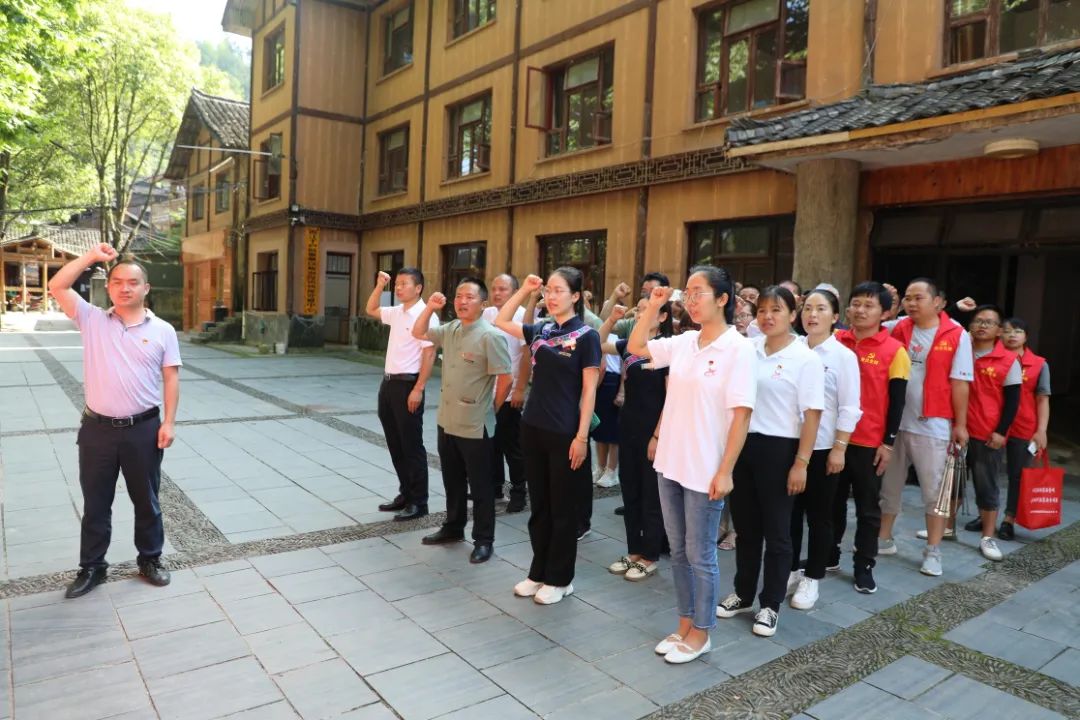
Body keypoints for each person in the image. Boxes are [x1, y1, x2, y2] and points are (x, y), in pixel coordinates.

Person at [627, 266, 754, 663]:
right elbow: (636, 345)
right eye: (689, 293)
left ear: (722, 299)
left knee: (701, 555)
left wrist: (726, 470)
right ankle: (684, 623)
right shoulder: (684, 342)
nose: (693, 300)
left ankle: (702, 631)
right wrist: (654, 305)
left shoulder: (738, 349)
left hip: (705, 468)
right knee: (679, 552)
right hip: (671, 462)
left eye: (701, 293)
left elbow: (742, 416)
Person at [48, 245, 181, 598]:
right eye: (118, 282)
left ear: (145, 288)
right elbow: (57, 286)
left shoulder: (163, 330)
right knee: (96, 503)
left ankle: (150, 559)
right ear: (108, 288)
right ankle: (93, 567)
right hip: (97, 430)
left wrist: (169, 422)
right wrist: (91, 257)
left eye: (133, 282)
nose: (125, 288)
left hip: (144, 429)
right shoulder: (91, 319)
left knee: (147, 500)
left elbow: (171, 378)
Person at [717, 285, 822, 638]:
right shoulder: (749, 349)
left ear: (792, 315)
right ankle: (743, 593)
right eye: (762, 310)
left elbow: (812, 416)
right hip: (743, 445)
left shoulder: (805, 358)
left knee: (778, 532)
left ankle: (770, 604)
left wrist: (801, 463)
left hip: (780, 449)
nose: (767, 316)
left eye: (776, 310)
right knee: (746, 529)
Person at [495, 268, 601, 605]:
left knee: (562, 509)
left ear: (575, 296)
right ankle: (538, 572)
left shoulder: (587, 336)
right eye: (548, 291)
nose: (551, 297)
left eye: (559, 290)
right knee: (539, 506)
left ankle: (560, 578)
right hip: (533, 427)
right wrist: (525, 290)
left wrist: (581, 437)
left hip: (565, 432)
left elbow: (589, 391)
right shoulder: (541, 329)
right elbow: (501, 319)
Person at [411, 278, 512, 564]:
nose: (462, 301)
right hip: (447, 421)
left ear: (483, 304)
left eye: (469, 297)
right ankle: (453, 527)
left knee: (480, 487)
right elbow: (418, 331)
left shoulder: (490, 336)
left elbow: (506, 378)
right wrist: (430, 307)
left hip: (475, 425)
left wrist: (490, 408)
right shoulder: (451, 329)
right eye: (458, 296)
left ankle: (484, 540)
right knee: (452, 480)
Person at [878, 278, 973, 577]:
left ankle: (933, 550)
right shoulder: (898, 326)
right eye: (908, 298)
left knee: (933, 491)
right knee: (889, 485)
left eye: (918, 297)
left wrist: (960, 424)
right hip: (894, 423)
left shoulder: (956, 334)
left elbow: (960, 382)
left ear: (938, 302)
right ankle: (883, 539)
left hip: (932, 423)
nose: (911, 303)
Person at [833, 282, 910, 594]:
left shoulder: (895, 351)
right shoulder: (837, 340)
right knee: (832, 502)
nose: (860, 310)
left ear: (885, 313)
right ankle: (828, 555)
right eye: (856, 304)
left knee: (867, 509)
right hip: (833, 439)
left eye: (869, 305)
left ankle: (864, 565)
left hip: (869, 442)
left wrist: (888, 443)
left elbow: (898, 402)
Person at [787, 288, 861, 610]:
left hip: (822, 447)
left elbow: (849, 407)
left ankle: (813, 576)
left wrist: (839, 448)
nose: (812, 315)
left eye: (820, 309)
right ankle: (790, 569)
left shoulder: (843, 357)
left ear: (835, 317)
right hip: (788, 443)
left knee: (820, 516)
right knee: (789, 514)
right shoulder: (792, 349)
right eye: (807, 308)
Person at [601, 301, 672, 582]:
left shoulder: (667, 349)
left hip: (653, 431)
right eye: (640, 309)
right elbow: (598, 343)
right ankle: (634, 550)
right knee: (630, 491)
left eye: (650, 309)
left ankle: (650, 555)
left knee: (650, 495)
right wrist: (611, 319)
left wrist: (658, 435)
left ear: (663, 316)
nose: (642, 313)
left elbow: (671, 398)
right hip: (628, 427)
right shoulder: (629, 346)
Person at [365, 268, 438, 521]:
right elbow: (371, 309)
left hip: (408, 384)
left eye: (404, 283)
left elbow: (429, 354)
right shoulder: (397, 311)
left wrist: (418, 388)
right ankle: (406, 493)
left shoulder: (426, 315)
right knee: (395, 443)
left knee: (411, 445)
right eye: (396, 283)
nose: (398, 287)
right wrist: (379, 285)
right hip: (388, 384)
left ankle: (419, 501)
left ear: (418, 288)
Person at [960, 305, 1021, 561]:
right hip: (957, 428)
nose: (982, 326)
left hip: (987, 433)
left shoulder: (1008, 360)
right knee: (951, 483)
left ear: (999, 331)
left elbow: (1013, 402)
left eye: (989, 322)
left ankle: (988, 537)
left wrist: (1000, 432)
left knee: (987, 487)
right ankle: (945, 528)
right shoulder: (960, 352)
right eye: (978, 321)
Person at [483, 274, 534, 513]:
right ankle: (494, 487)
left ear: (514, 292)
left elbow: (527, 355)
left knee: (512, 446)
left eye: (502, 289)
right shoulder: (487, 314)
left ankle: (519, 492)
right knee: (490, 443)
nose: (496, 293)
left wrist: (520, 388)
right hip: (488, 391)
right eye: (494, 288)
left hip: (510, 391)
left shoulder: (522, 316)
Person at [1000, 317, 1051, 540]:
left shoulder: (1039, 364)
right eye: (1007, 331)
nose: (1012, 335)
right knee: (988, 473)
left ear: (1026, 336)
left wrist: (1041, 430)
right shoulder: (991, 359)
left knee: (1017, 476)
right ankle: (986, 514)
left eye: (1018, 331)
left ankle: (1008, 519)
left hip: (1023, 426)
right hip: (992, 424)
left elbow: (1042, 399)